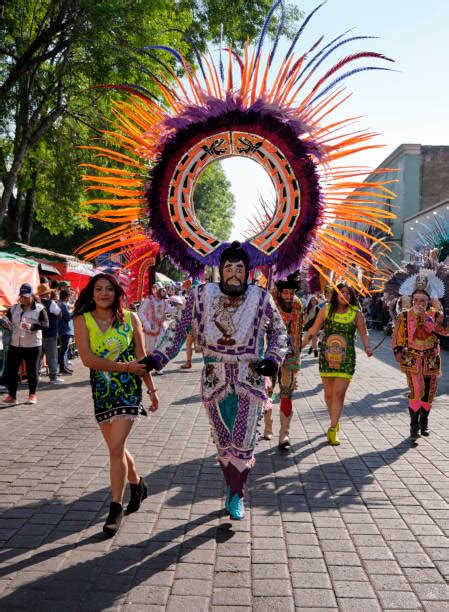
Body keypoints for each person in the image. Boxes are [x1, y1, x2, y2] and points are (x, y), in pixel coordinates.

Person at [140, 241, 287, 520]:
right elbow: (179, 328)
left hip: (251, 379)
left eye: (239, 268)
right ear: (220, 270)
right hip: (214, 379)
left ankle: (236, 493)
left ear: (248, 272)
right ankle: (233, 486)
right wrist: (158, 357)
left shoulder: (261, 297)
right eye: (228, 267)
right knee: (223, 441)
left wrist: (273, 358)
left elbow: (279, 333)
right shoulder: (201, 295)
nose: (233, 273)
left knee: (244, 440)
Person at [73, 273, 159, 536]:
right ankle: (138, 484)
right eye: (98, 289)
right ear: (91, 292)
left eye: (109, 289)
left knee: (116, 448)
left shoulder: (131, 318)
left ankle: (115, 508)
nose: (103, 293)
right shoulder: (81, 319)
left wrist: (151, 389)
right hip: (102, 389)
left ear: (117, 292)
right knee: (115, 447)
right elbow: (88, 360)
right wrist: (125, 367)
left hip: (129, 390)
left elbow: (142, 358)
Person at [303, 283, 373, 445]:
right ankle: (335, 419)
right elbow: (313, 330)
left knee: (339, 393)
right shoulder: (326, 310)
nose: (345, 295)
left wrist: (368, 346)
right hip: (327, 358)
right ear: (336, 295)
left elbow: (363, 332)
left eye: (348, 293)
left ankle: (333, 428)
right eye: (341, 292)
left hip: (347, 359)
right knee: (328, 395)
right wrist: (300, 347)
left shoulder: (356, 313)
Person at [391, 282, 449, 444]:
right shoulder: (404, 315)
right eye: (416, 300)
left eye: (422, 300)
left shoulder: (435, 314)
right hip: (412, 358)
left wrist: (427, 316)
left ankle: (424, 422)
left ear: (428, 301)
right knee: (417, 390)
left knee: (429, 392)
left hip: (431, 358)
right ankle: (414, 426)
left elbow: (444, 331)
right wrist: (397, 350)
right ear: (412, 300)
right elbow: (397, 335)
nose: (418, 303)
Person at [263, 273, 303, 450]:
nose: (288, 296)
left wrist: (296, 361)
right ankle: (268, 427)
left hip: (289, 355)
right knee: (267, 391)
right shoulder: (270, 302)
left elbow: (298, 333)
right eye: (285, 292)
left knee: (287, 393)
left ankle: (284, 434)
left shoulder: (298, 305)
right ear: (279, 292)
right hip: (269, 354)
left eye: (291, 292)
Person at [0, 283, 49, 406]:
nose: (24, 299)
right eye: (22, 296)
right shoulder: (14, 308)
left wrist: (32, 326)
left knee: (32, 371)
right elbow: (7, 320)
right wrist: (4, 323)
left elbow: (46, 324)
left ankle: (32, 394)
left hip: (33, 345)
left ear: (32, 296)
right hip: (15, 344)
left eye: (27, 296)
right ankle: (12, 396)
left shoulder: (40, 309)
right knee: (11, 371)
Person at [138, 282, 174, 372]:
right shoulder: (149, 300)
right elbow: (141, 312)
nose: (162, 293)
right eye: (160, 291)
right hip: (150, 327)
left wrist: (178, 307)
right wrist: (145, 323)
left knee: (160, 345)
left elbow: (168, 309)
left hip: (161, 326)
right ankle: (146, 366)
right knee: (149, 348)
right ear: (155, 291)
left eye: (163, 291)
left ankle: (157, 366)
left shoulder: (163, 301)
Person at [37, 284, 64, 385]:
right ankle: (53, 377)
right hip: (50, 333)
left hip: (39, 333)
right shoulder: (51, 303)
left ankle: (37, 375)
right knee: (52, 356)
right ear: (47, 294)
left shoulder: (36, 303)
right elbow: (59, 313)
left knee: (39, 356)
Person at [58, 289, 74, 375]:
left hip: (64, 330)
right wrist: (74, 312)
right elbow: (67, 317)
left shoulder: (61, 304)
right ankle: (62, 368)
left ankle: (64, 367)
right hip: (65, 330)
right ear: (67, 297)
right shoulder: (63, 305)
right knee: (64, 349)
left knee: (64, 349)